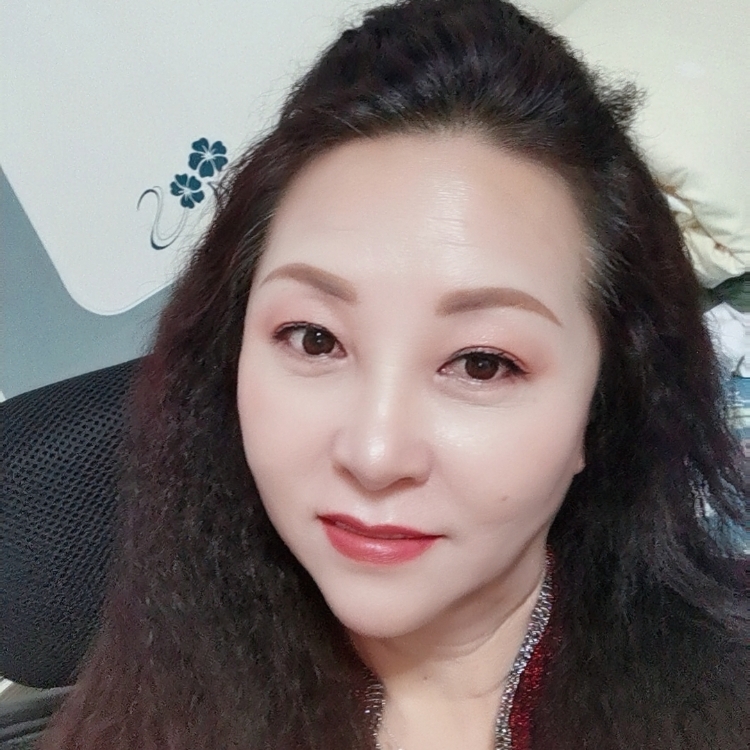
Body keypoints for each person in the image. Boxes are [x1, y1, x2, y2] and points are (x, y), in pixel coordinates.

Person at [40, 1, 747, 748]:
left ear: (602, 407)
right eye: (314, 339)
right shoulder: (142, 710)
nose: (375, 456)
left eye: (481, 363)